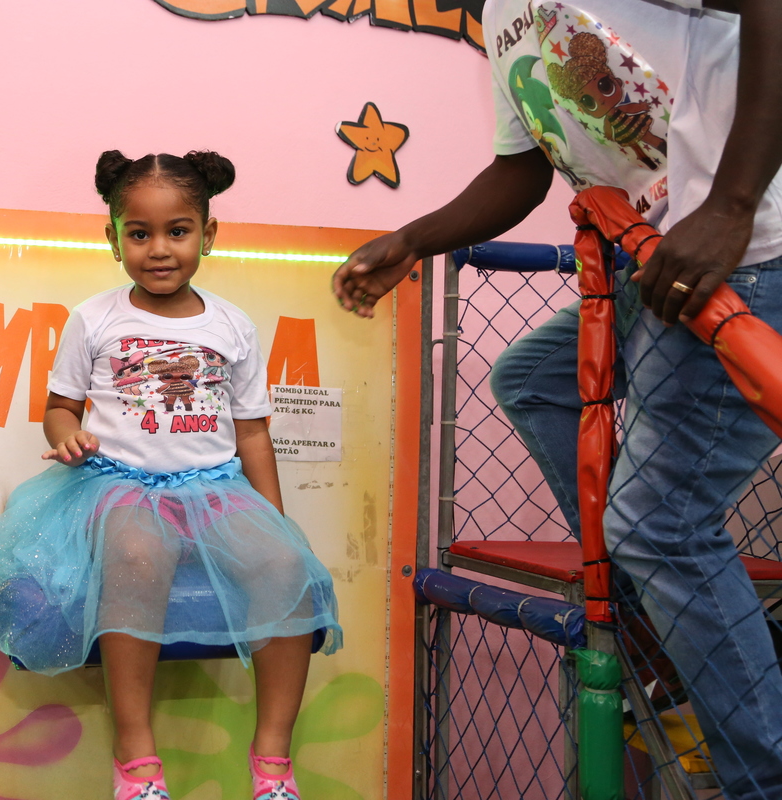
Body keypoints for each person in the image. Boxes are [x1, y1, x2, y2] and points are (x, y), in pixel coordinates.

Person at [331, 2, 782, 797]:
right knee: (535, 379)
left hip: (748, 252)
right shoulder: (502, 12)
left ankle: (762, 774)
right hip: (659, 261)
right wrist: (412, 240)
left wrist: (731, 205)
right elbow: (522, 169)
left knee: (659, 525)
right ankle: (669, 644)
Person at [0, 150, 341, 800]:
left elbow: (252, 432)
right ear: (114, 240)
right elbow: (59, 408)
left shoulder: (232, 325)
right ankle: (135, 759)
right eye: (139, 233)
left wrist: (274, 520)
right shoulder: (95, 319)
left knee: (285, 566)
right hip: (121, 483)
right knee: (138, 554)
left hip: (215, 486)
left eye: (177, 231)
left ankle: (273, 761)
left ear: (207, 235)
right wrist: (66, 436)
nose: (159, 249)